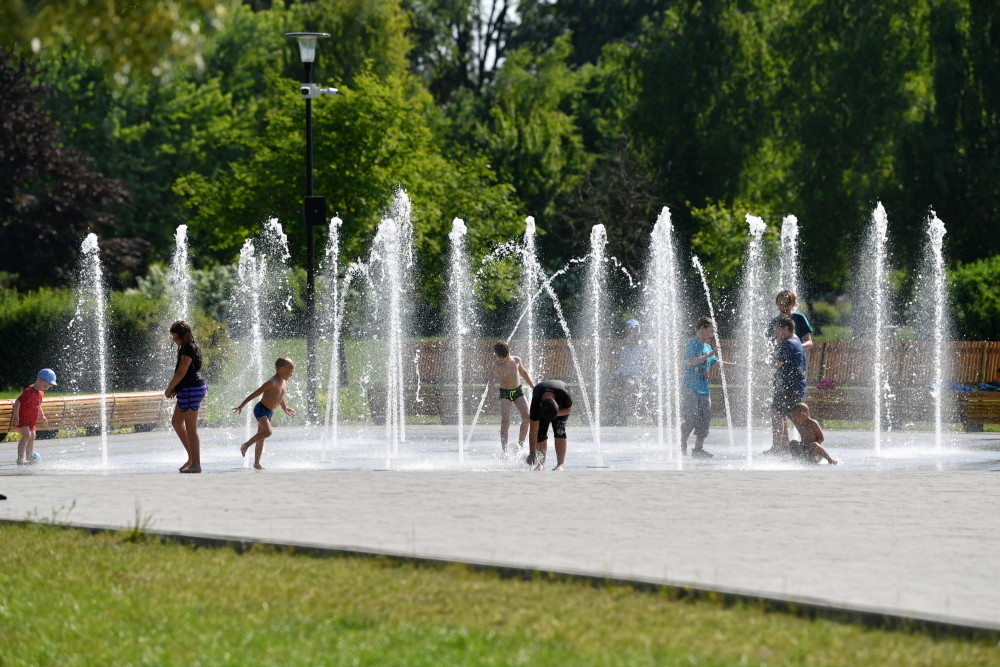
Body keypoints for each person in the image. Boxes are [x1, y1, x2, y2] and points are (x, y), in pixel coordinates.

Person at [233, 357, 296, 470]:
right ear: (281, 369)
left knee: (261, 437)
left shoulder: (284, 382)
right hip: (261, 409)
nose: (291, 374)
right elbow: (255, 393)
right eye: (290, 371)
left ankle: (256, 463)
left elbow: (280, 397)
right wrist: (242, 405)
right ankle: (245, 445)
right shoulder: (272, 382)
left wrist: (285, 408)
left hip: (269, 412)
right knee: (267, 432)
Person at [165, 321, 207, 473]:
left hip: (192, 389)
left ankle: (196, 464)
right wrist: (177, 386)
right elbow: (183, 372)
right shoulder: (187, 346)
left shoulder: (189, 348)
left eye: (176, 337)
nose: (174, 341)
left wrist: (170, 387)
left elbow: (182, 371)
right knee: (176, 422)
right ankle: (191, 458)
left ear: (184, 336)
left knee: (191, 428)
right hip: (187, 389)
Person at [766, 315, 807, 455]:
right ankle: (785, 446)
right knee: (784, 414)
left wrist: (770, 357)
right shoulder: (796, 341)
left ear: (785, 329)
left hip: (789, 387)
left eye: (777, 330)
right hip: (793, 386)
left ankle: (778, 447)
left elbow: (775, 364)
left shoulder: (788, 344)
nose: (776, 333)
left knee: (778, 414)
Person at [681, 317, 720, 458]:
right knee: (691, 416)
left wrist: (734, 364)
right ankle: (682, 441)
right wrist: (708, 356)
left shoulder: (708, 347)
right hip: (690, 386)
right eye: (711, 330)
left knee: (705, 418)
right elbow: (690, 362)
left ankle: (698, 449)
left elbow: (715, 363)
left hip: (704, 388)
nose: (713, 333)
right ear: (702, 329)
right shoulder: (692, 344)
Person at [492, 341, 535, 455]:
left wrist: (533, 387)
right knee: (505, 420)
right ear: (496, 355)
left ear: (509, 352)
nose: (502, 361)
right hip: (505, 393)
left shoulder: (516, 360)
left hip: (517, 391)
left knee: (527, 417)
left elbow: (524, 373)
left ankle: (520, 445)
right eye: (500, 359)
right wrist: (490, 394)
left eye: (505, 358)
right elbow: (491, 382)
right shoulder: (496, 365)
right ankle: (504, 450)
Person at [605, 319, 649, 426]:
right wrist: (622, 343)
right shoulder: (623, 347)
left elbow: (646, 348)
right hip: (622, 374)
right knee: (608, 385)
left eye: (635, 330)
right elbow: (611, 354)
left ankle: (623, 415)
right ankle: (612, 415)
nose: (632, 332)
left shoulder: (643, 344)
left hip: (637, 375)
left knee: (629, 385)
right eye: (629, 330)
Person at [11, 369, 56, 465]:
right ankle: (20, 458)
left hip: (31, 420)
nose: (46, 388)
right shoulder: (29, 391)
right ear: (38, 380)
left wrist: (42, 416)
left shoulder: (41, 392)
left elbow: (38, 405)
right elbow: (18, 401)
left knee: (32, 437)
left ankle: (29, 458)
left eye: (48, 387)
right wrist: (16, 416)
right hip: (22, 418)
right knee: (27, 435)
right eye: (45, 385)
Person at [527, 379, 573, 471]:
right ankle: (541, 464)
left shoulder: (564, 396)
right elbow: (533, 431)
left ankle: (560, 464)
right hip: (543, 403)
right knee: (540, 433)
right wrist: (532, 453)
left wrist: (556, 414)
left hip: (560, 406)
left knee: (560, 430)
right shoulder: (536, 404)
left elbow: (568, 409)